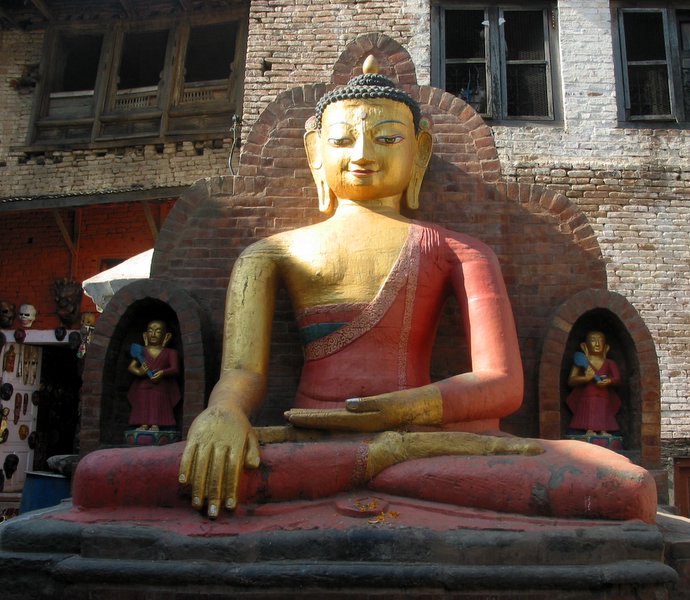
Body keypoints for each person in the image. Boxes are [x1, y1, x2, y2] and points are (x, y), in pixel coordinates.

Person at [169, 57, 656, 523]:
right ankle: (373, 470)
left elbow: (502, 385)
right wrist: (223, 412)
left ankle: (375, 467)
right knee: (154, 471)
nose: (363, 155)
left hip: (423, 443)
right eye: (341, 140)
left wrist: (400, 410)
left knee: (618, 487)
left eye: (387, 138)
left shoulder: (458, 250)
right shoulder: (268, 254)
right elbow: (241, 372)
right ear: (315, 152)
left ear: (419, 151)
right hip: (309, 442)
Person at [127, 320, 181, 431]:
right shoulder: (142, 351)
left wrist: (162, 372)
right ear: (145, 335)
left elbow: (175, 368)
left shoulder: (170, 352)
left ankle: (156, 424)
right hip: (143, 385)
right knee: (143, 403)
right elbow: (131, 367)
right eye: (150, 331)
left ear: (166, 336)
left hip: (160, 386)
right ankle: (143, 424)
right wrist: (140, 372)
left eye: (158, 331)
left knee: (157, 403)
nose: (153, 334)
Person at [565, 331, 622, 436]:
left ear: (606, 346)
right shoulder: (582, 362)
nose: (597, 344)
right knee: (589, 411)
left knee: (602, 411)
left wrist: (609, 381)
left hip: (604, 395)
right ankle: (589, 430)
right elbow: (571, 380)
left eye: (600, 340)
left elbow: (617, 379)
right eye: (593, 340)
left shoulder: (610, 363)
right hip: (588, 395)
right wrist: (586, 378)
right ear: (584, 346)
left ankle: (604, 430)